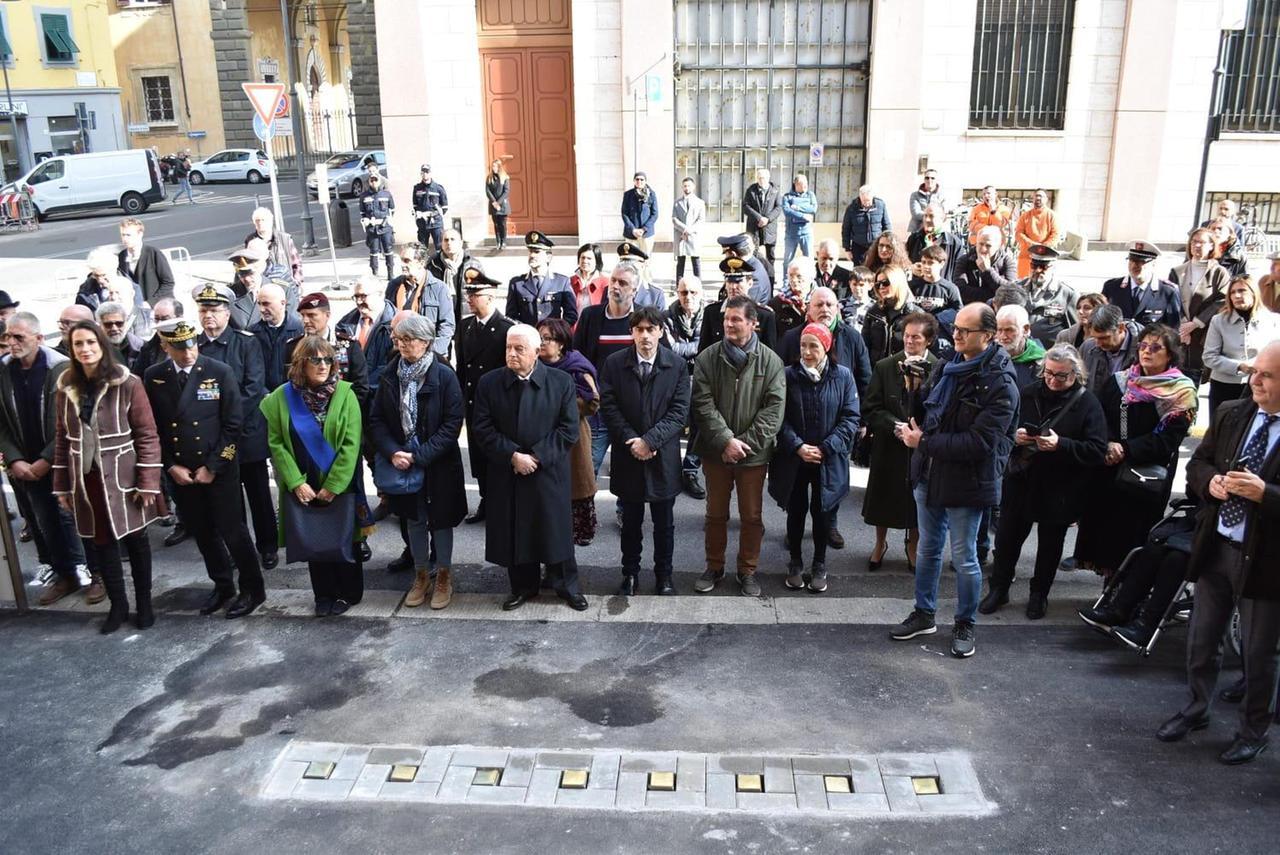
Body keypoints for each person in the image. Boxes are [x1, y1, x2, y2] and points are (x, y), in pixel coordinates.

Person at [1157, 341, 1280, 765]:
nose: (1255, 380)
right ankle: (1197, 709)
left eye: (1267, 375)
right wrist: (1208, 482)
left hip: (1265, 560)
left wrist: (1267, 494)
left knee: (1260, 653)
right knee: (1202, 638)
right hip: (1218, 545)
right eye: (1255, 372)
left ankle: (1252, 731)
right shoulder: (1233, 413)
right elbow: (1198, 463)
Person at [890, 303, 1019, 658]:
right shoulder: (949, 364)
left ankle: (965, 622)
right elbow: (929, 415)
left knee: (964, 558)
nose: (956, 335)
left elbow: (981, 443)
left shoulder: (1000, 383)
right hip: (930, 473)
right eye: (956, 329)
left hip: (968, 480)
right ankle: (924, 613)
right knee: (929, 549)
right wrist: (913, 391)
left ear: (988, 336)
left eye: (966, 331)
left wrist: (924, 443)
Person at [144, 320, 264, 618]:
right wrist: (170, 466)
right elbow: (154, 429)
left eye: (192, 345)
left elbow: (233, 424)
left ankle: (253, 589)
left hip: (218, 468)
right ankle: (222, 585)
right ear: (165, 347)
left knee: (233, 531)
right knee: (203, 533)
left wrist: (213, 466)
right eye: (179, 347)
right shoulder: (155, 377)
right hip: (182, 472)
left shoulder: (218, 371)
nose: (188, 353)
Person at [979, 344, 1107, 618]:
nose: (1052, 380)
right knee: (1006, 539)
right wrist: (1016, 437)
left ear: (1075, 374)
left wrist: (1061, 444)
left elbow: (1097, 449)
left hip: (1060, 486)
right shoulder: (1027, 393)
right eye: (1048, 373)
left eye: (1060, 376)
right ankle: (998, 589)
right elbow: (1000, 430)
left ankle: (1039, 594)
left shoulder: (1087, 402)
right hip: (1022, 479)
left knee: (1050, 545)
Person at [52, 321, 163, 633]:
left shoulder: (127, 382)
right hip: (86, 480)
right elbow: (62, 439)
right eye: (78, 344)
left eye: (91, 342)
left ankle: (144, 604)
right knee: (102, 543)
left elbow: (147, 436)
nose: (85, 349)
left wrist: (148, 481)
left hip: (124, 475)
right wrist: (61, 485)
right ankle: (118, 605)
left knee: (136, 540)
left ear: (102, 345)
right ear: (71, 349)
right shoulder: (65, 385)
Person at [472, 324, 586, 611]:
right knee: (516, 531)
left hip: (548, 471)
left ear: (536, 352)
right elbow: (482, 428)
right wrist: (512, 456)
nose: (511, 354)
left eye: (519, 349)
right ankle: (523, 586)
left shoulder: (560, 382)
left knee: (555, 531)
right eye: (508, 348)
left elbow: (568, 429)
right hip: (508, 471)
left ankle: (566, 586)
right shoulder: (489, 382)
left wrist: (535, 457)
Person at [1074, 324, 1197, 576]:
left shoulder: (1181, 392)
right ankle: (1106, 589)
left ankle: (1123, 594)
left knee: (1132, 533)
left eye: (1155, 347)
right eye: (1142, 345)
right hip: (1109, 465)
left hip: (1145, 472)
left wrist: (1126, 449)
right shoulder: (1121, 380)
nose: (1146, 352)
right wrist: (1108, 442)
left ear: (1170, 354)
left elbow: (1168, 439)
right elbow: (1098, 415)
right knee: (1104, 528)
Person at [369, 315, 468, 611]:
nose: (400, 345)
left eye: (407, 340)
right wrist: (392, 453)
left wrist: (420, 456)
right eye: (397, 340)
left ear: (425, 343)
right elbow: (376, 420)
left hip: (436, 463)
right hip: (402, 462)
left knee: (440, 520)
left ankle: (444, 576)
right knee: (413, 519)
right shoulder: (390, 373)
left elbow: (453, 424)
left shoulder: (443, 375)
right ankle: (421, 575)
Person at [260, 335, 364, 616]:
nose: (323, 365)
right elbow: (276, 443)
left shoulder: (346, 394)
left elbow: (351, 445)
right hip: (303, 482)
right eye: (315, 359)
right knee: (314, 539)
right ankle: (324, 594)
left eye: (328, 359)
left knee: (344, 537)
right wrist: (295, 482)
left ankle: (349, 592)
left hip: (339, 483)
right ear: (300, 364)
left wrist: (334, 485)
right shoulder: (281, 398)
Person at [691, 295, 786, 597]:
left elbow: (774, 411)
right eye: (726, 319)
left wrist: (742, 444)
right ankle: (714, 566)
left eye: (736, 319)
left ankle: (747, 571)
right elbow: (702, 404)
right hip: (716, 452)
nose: (729, 325)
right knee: (715, 515)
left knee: (752, 516)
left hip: (753, 456)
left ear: (753, 324)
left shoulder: (771, 361)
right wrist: (724, 441)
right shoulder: (708, 357)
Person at [599, 306, 691, 595]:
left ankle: (664, 575)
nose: (645, 336)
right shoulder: (615, 364)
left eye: (651, 329)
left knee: (664, 524)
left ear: (661, 332)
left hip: (662, 457)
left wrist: (650, 441)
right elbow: (609, 407)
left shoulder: (675, 365)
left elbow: (679, 413)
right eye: (639, 329)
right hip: (629, 455)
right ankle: (630, 574)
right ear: (632, 333)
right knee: (631, 523)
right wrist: (632, 440)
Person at [0, 313, 90, 606]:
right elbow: (1, 422)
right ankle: (65, 576)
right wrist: (15, 460)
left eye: (19, 338)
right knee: (45, 522)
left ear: (39, 339)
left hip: (62, 461)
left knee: (79, 519)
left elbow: (74, 419)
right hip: (25, 467)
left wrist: (46, 459)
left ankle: (97, 575)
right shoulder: (3, 370)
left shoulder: (61, 368)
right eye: (8, 337)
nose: (12, 343)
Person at [768, 322, 860, 593]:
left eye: (813, 346)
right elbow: (778, 416)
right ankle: (795, 561)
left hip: (828, 459)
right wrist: (797, 446)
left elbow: (851, 417)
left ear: (826, 347)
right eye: (803, 346)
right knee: (796, 511)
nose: (807, 352)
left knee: (823, 512)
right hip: (795, 458)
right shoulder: (787, 375)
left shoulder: (843, 376)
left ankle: (819, 563)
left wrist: (827, 447)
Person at [192, 283, 277, 570]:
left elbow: (253, 389)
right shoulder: (196, 347)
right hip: (214, 439)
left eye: (214, 310)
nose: (209, 316)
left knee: (259, 495)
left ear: (227, 314)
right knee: (229, 501)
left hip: (246, 434)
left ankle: (268, 546)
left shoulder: (246, 342)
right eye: (204, 310)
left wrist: (224, 421)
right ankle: (240, 550)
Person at [862, 313, 938, 572]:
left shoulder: (939, 368)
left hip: (921, 447)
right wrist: (895, 425)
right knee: (882, 498)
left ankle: (912, 546)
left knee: (917, 501)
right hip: (889, 444)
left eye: (916, 337)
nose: (909, 341)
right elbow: (870, 408)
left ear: (928, 340)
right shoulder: (885, 366)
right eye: (906, 335)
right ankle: (879, 544)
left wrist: (919, 431)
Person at [575, 261, 647, 475]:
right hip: (598, 406)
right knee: (588, 466)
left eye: (623, 283)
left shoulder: (645, 318)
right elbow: (577, 357)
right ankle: (583, 508)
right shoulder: (590, 316)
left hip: (633, 407)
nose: (615, 286)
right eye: (613, 280)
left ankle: (624, 509)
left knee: (628, 467)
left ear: (634, 290)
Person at [456, 272, 514, 524]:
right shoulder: (465, 326)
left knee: (496, 456)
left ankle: (500, 502)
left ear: (490, 297)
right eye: (468, 294)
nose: (469, 299)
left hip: (497, 405)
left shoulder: (507, 328)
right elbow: (462, 369)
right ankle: (485, 499)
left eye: (475, 294)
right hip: (472, 402)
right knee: (477, 456)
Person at [539, 317, 600, 547]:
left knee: (575, 487)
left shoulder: (576, 366)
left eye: (548, 338)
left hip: (573, 439)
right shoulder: (533, 364)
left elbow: (593, 403)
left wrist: (560, 404)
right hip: (542, 437)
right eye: (540, 338)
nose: (542, 343)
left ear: (561, 343)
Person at [1202, 275, 1280, 418]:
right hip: (1223, 386)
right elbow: (1209, 357)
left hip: (1260, 386)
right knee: (1221, 431)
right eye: (1232, 292)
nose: (1237, 296)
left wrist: (1259, 367)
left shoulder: (1273, 320)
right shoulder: (1218, 321)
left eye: (1242, 291)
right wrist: (1239, 366)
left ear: (1253, 293)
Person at [286, 293, 371, 409]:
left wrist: (342, 412)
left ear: (327, 315)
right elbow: (286, 383)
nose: (305, 320)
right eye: (302, 315)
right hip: (302, 415)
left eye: (311, 315)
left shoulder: (349, 346)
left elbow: (360, 387)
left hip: (340, 415)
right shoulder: (292, 346)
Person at [665, 275, 706, 499]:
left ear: (700, 294)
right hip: (674, 378)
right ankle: (671, 469)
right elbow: (671, 351)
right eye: (683, 292)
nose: (688, 297)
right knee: (673, 422)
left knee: (699, 424)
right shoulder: (667, 317)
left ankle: (690, 470)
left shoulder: (708, 316)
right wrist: (695, 349)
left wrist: (686, 348)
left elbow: (706, 347)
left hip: (701, 378)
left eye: (693, 292)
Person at [1170, 227, 1229, 378]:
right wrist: (1183, 326)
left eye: (1201, 242)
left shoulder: (1219, 273)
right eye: (1194, 242)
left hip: (1204, 333)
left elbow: (1221, 300)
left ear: (1211, 246)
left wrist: (1196, 323)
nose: (1196, 245)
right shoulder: (1177, 271)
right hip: (1180, 332)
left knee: (1196, 376)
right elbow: (1171, 297)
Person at [387, 243, 455, 354]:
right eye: (401, 260)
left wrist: (430, 352)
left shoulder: (439, 288)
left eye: (407, 260)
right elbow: (386, 319)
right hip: (399, 352)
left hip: (428, 354)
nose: (402, 264)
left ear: (421, 263)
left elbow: (447, 326)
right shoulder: (394, 286)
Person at [700, 258, 780, 352]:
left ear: (750, 283)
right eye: (729, 282)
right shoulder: (711, 312)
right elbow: (703, 351)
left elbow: (770, 355)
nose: (733, 287)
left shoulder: (765, 315)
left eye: (738, 282)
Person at [338, 275, 396, 397]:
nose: (359, 301)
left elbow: (392, 367)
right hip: (353, 396)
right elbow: (342, 365)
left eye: (363, 296)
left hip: (382, 396)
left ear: (380, 295)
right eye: (356, 297)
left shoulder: (396, 325)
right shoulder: (343, 325)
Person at [1102, 241, 1182, 328]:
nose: (1134, 265)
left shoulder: (1167, 292)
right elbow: (1101, 321)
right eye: (1131, 260)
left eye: (1141, 262)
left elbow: (1173, 329)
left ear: (1153, 263)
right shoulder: (1111, 287)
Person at [506, 230, 578, 326]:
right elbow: (510, 317)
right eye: (530, 251)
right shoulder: (517, 284)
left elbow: (571, 315)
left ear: (548, 257)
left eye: (537, 252)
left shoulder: (562, 282)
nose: (532, 255)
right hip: (528, 339)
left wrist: (556, 331)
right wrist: (526, 332)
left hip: (554, 338)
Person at [1019, 245, 1078, 347]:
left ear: (1053, 268)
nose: (1037, 270)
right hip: (1018, 353)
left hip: (1050, 356)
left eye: (1043, 267)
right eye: (1034, 265)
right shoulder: (1016, 288)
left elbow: (1076, 332)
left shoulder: (1067, 294)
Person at [863, 267, 920, 367]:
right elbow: (864, 346)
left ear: (897, 282)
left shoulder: (916, 315)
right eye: (877, 284)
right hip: (877, 371)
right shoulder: (873, 312)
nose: (881, 287)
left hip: (904, 371)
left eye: (885, 283)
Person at [1079, 303, 1141, 392]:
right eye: (1094, 337)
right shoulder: (1087, 347)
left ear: (1120, 328)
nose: (1098, 343)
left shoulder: (1144, 349)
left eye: (1104, 338)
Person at [426, 228, 480, 325]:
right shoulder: (432, 264)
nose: (449, 243)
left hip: (466, 316)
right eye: (446, 240)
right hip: (440, 316)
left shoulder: (473, 265)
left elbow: (480, 293)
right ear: (441, 243)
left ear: (460, 243)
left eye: (452, 239)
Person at [908, 246, 962, 341]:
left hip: (939, 337)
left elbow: (958, 313)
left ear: (941, 264)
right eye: (923, 262)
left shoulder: (950, 289)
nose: (926, 266)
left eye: (931, 263)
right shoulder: (912, 286)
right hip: (915, 335)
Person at [954, 225, 1018, 304]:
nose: (983, 249)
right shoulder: (965, 260)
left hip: (997, 310)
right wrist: (993, 294)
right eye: (980, 244)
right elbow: (960, 290)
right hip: (971, 308)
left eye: (988, 246)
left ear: (998, 246)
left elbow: (1011, 292)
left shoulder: (1007, 262)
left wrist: (987, 271)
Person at [118, 217, 175, 304]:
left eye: (128, 235)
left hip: (158, 307)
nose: (125, 239)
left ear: (140, 234)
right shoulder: (121, 256)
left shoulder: (153, 253)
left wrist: (151, 303)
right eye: (123, 235)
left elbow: (168, 283)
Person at [906, 203, 965, 285]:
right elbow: (904, 263)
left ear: (942, 219)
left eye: (931, 216)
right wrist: (911, 268)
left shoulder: (954, 243)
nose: (927, 220)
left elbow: (959, 272)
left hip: (942, 292)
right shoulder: (914, 239)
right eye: (925, 216)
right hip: (917, 291)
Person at [245, 207, 303, 287]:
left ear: (270, 221)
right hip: (262, 285)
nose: (260, 223)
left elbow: (296, 263)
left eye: (263, 220)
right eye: (257, 220)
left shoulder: (285, 239)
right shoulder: (250, 241)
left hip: (284, 284)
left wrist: (296, 282)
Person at [743, 168, 782, 281]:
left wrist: (767, 219)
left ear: (768, 178)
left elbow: (779, 207)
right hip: (754, 226)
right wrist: (759, 218)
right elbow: (745, 206)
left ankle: (770, 277)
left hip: (769, 228)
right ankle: (754, 275)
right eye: (759, 178)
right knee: (753, 252)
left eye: (763, 178)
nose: (761, 180)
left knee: (770, 255)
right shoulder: (751, 190)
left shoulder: (775, 190)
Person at [996, 304, 1046, 389]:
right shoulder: (988, 355)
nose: (1003, 336)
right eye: (999, 330)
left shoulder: (1041, 362)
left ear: (1025, 329)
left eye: (1009, 330)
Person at [1013, 190, 1060, 279]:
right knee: (1023, 283)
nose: (1038, 198)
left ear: (1046, 199)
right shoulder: (1025, 216)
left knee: (1043, 283)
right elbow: (1018, 234)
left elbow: (1055, 235)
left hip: (1045, 257)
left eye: (1041, 196)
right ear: (1033, 199)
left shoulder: (1051, 215)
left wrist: (1043, 247)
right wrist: (1033, 245)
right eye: (1036, 196)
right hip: (1026, 255)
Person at [716, 233, 773, 304]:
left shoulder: (752, 275)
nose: (725, 258)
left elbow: (743, 306)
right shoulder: (752, 264)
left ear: (733, 254)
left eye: (726, 255)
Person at [359, 172, 396, 280]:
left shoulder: (386, 194)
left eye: (376, 180)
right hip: (372, 228)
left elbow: (392, 210)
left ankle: (390, 273)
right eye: (372, 180)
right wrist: (366, 221)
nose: (374, 182)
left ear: (379, 181)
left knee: (388, 250)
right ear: (369, 182)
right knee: (374, 251)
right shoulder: (364, 196)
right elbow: (362, 213)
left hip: (385, 227)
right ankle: (374, 272)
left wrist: (387, 221)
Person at [841, 185, 890, 264]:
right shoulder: (851, 208)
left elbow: (887, 225)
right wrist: (847, 249)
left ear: (872, 197)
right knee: (860, 272)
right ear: (860, 197)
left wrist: (888, 243)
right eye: (864, 201)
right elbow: (846, 229)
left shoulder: (880, 205)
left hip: (876, 245)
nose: (866, 203)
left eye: (868, 200)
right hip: (858, 246)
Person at [616, 242, 667, 309]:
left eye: (633, 266)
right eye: (624, 266)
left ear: (643, 266)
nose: (628, 271)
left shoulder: (655, 295)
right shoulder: (611, 291)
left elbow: (661, 318)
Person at [768, 258, 811, 338]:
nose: (794, 280)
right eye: (791, 276)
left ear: (810, 277)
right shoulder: (776, 303)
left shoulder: (820, 300)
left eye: (799, 276)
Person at [672, 176, 705, 279]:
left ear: (693, 187)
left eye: (689, 186)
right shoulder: (677, 202)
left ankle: (698, 285)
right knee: (680, 262)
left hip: (693, 235)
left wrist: (690, 230)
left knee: (696, 262)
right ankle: (679, 286)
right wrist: (684, 229)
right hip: (680, 235)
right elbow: (674, 219)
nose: (687, 188)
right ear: (682, 187)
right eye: (685, 186)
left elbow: (701, 219)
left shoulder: (700, 202)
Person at [781, 173, 817, 268]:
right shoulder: (787, 197)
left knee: (809, 259)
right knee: (787, 261)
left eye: (806, 184)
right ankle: (786, 282)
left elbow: (813, 209)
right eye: (802, 184)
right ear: (796, 184)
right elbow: (787, 211)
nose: (805, 186)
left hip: (806, 234)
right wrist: (802, 216)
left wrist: (797, 207)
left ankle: (810, 281)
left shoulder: (810, 195)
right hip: (791, 234)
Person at [411, 164, 449, 254]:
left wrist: (433, 215)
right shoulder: (417, 188)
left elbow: (445, 207)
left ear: (430, 173)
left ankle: (440, 267)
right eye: (423, 172)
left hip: (436, 222)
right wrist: (419, 214)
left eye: (427, 172)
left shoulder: (438, 188)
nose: (425, 174)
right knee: (422, 249)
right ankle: (423, 267)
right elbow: (415, 206)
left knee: (440, 248)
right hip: (422, 223)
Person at [621, 171, 659, 255]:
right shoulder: (628, 195)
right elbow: (624, 213)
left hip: (646, 233)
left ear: (645, 181)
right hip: (631, 233)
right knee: (632, 258)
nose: (639, 181)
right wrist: (633, 229)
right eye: (637, 179)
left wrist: (643, 229)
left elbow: (655, 214)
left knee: (645, 259)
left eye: (642, 179)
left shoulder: (651, 194)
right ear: (634, 181)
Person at [95, 302, 144, 366]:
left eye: (119, 323)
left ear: (126, 323)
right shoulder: (93, 348)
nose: (114, 328)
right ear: (99, 325)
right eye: (108, 324)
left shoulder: (140, 347)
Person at [570, 243, 608, 316]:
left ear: (597, 261)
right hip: (575, 324)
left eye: (589, 258)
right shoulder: (570, 281)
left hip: (596, 324)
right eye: (583, 257)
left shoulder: (606, 283)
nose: (585, 261)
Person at [813, 238, 854, 303]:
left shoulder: (847, 276)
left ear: (837, 257)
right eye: (824, 258)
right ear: (817, 255)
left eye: (831, 259)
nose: (827, 263)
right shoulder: (808, 274)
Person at [908, 169, 948, 233]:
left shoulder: (943, 196)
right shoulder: (915, 195)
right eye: (927, 178)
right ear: (924, 180)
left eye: (932, 178)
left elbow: (944, 214)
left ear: (936, 180)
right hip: (917, 230)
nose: (929, 180)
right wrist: (933, 216)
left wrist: (931, 218)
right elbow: (916, 213)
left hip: (936, 230)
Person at [1209, 216, 1249, 280]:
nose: (1216, 231)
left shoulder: (1238, 256)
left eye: (1220, 229)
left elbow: (1244, 281)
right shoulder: (1203, 251)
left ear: (1229, 233)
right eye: (1213, 229)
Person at [485, 159, 510, 252]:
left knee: (502, 224)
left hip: (502, 205)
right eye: (493, 166)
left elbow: (506, 191)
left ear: (499, 167)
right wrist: (494, 202)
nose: (494, 168)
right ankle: (498, 241)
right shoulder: (489, 178)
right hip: (493, 205)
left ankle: (504, 241)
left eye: (495, 166)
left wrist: (498, 202)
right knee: (496, 224)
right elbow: (488, 191)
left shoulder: (505, 177)